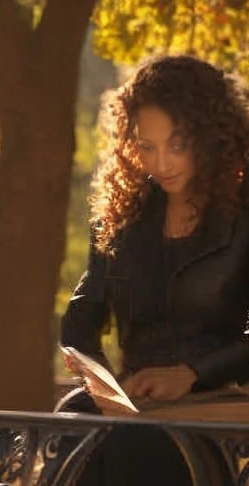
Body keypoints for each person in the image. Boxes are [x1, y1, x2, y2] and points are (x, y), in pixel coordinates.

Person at [58, 54, 249, 486]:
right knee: (73, 425)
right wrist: (101, 381)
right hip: (130, 403)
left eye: (177, 145)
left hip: (214, 408)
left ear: (211, 135)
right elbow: (82, 316)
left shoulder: (243, 211)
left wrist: (193, 373)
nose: (161, 163)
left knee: (132, 445)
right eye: (147, 147)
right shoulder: (122, 215)